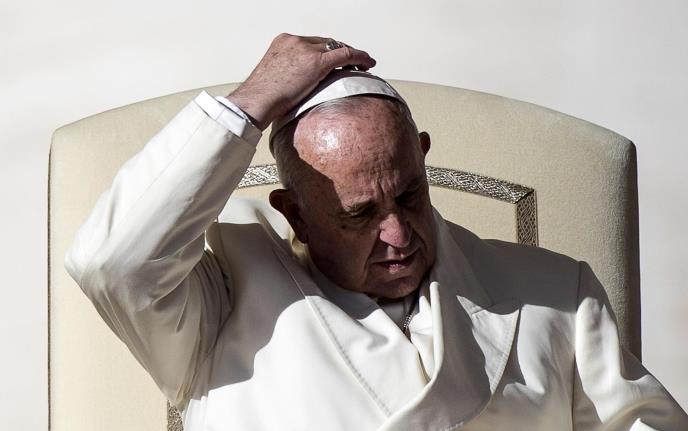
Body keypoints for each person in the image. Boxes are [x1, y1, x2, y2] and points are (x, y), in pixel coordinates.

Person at [65, 34, 688, 430]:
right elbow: (110, 262)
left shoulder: (555, 293)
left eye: (409, 195)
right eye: (360, 215)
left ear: (423, 157)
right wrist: (250, 103)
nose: (399, 233)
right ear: (294, 213)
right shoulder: (219, 299)